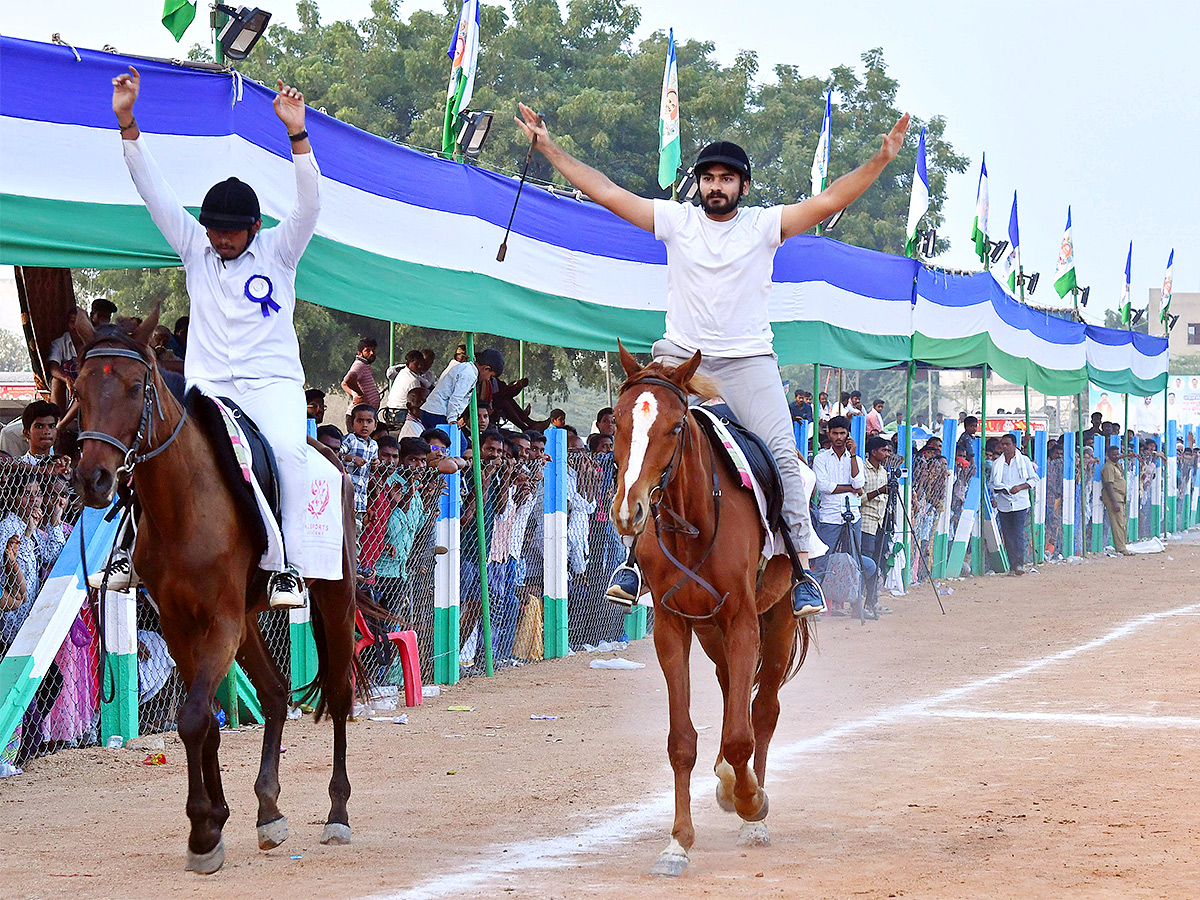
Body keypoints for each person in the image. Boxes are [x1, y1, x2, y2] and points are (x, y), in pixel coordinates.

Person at [514, 102, 911, 617]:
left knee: (786, 459)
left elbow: (830, 197)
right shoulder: (675, 221)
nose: (715, 187)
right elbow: (608, 192)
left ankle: (803, 570)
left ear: (742, 187)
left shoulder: (766, 226)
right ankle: (634, 562)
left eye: (726, 179)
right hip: (681, 361)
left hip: (748, 362)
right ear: (697, 184)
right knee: (646, 445)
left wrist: (880, 160)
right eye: (708, 178)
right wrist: (549, 148)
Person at [111, 65, 317, 609]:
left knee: (292, 456)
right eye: (213, 229)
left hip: (269, 386)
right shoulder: (194, 250)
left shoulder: (281, 252)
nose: (220, 239)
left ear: (254, 227)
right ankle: (129, 549)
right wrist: (129, 124)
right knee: (151, 446)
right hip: (205, 386)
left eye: (230, 230)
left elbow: (311, 204)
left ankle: (285, 567)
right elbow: (154, 193)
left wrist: (296, 134)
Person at [421, 348, 504, 428]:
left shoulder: (467, 368)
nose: (488, 379)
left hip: (430, 410)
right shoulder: (469, 375)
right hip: (438, 413)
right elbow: (457, 397)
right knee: (461, 442)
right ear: (486, 368)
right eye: (490, 376)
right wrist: (452, 419)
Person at [990, 433, 1037, 575]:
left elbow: (1034, 480)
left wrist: (1020, 487)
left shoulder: (1024, 461)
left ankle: (1019, 563)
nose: (1004, 447)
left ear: (1014, 445)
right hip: (1004, 503)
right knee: (1008, 535)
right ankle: (1013, 565)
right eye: (1002, 444)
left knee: (1017, 533)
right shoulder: (997, 464)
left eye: (1007, 444)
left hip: (1020, 503)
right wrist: (998, 492)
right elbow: (993, 484)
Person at [859, 435, 892, 615]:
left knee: (878, 563)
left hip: (880, 523)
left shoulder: (883, 471)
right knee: (866, 564)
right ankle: (858, 602)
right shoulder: (863, 470)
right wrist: (879, 491)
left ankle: (872, 601)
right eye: (884, 450)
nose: (887, 454)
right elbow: (858, 498)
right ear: (873, 452)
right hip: (866, 523)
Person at [340, 404, 379, 520]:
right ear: (352, 424)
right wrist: (352, 458)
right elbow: (336, 455)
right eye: (360, 421)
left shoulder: (374, 445)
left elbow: (373, 467)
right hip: (345, 496)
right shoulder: (350, 440)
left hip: (361, 499)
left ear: (375, 425)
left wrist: (375, 463)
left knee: (356, 531)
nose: (364, 425)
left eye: (369, 421)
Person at [1101, 445, 1132, 555]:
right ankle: (1121, 548)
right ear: (1108, 455)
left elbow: (1119, 457)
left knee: (1122, 523)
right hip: (1114, 498)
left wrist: (1128, 455)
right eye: (1113, 454)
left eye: (1117, 454)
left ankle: (1123, 546)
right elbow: (1109, 485)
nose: (1116, 456)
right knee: (1117, 524)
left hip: (1120, 497)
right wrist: (1114, 502)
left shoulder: (1116, 465)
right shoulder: (1109, 467)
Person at [342, 337, 380, 425]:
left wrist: (356, 395)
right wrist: (360, 394)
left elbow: (343, 384)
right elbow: (348, 380)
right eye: (367, 350)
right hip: (358, 417)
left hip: (364, 416)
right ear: (360, 353)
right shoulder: (359, 365)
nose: (372, 353)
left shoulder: (364, 365)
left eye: (373, 350)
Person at [386, 349, 435, 414]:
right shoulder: (412, 380)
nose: (420, 366)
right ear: (407, 363)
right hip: (401, 411)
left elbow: (427, 384)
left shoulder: (411, 373)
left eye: (422, 364)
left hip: (392, 410)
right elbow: (417, 402)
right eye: (417, 364)